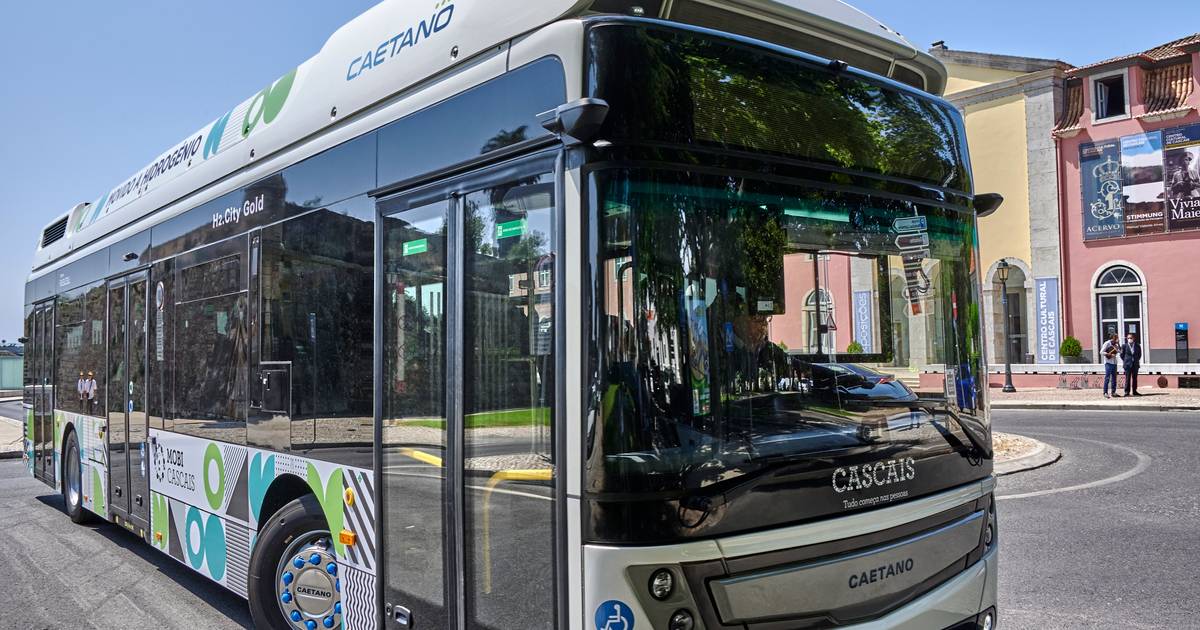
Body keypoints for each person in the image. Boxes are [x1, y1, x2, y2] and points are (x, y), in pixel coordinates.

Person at [1100, 333, 1120, 398]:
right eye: (1116, 338)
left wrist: (1118, 344)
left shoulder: (1116, 344)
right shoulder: (1107, 343)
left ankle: (1113, 392)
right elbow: (1101, 352)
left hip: (1114, 363)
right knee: (1107, 378)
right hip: (1108, 363)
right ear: (1112, 338)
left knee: (1114, 378)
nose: (1117, 339)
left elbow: (1120, 351)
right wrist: (1110, 354)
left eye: (1117, 338)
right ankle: (1105, 392)